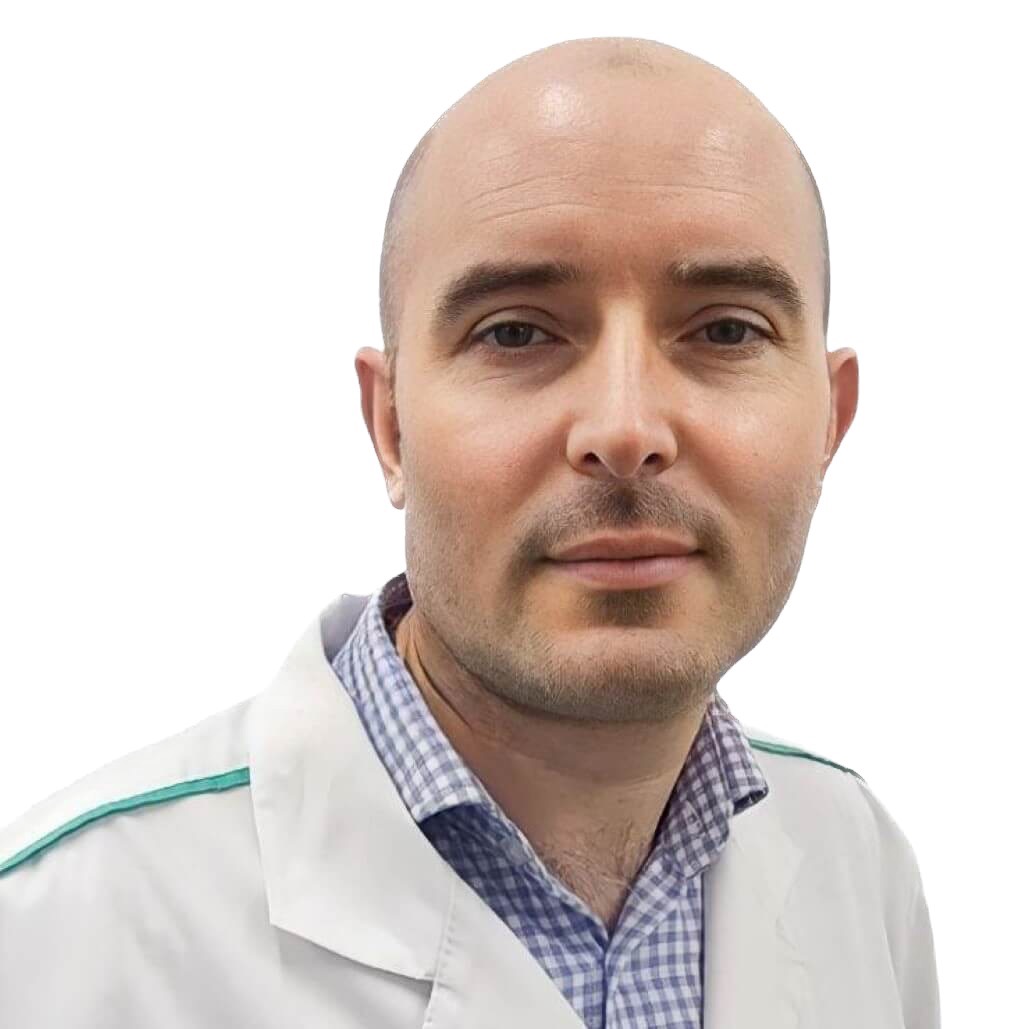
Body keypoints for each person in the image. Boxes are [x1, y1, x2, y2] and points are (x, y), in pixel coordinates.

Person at [0, 35, 939, 1028]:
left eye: (725, 330)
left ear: (828, 424)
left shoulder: (857, 866)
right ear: (390, 426)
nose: (625, 429)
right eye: (516, 332)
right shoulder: (61, 936)